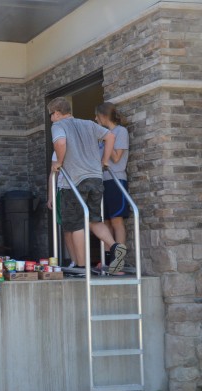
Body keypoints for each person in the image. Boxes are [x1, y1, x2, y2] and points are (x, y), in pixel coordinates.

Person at [49, 97, 127, 274]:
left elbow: (60, 142)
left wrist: (59, 162)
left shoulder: (59, 126)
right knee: (93, 220)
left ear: (57, 113)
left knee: (76, 224)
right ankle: (115, 247)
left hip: (75, 181)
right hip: (96, 178)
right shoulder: (88, 124)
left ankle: (82, 267)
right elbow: (111, 136)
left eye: (51, 115)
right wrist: (104, 161)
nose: (51, 119)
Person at [95, 102, 130, 264]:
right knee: (106, 221)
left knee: (117, 220)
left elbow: (116, 158)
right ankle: (107, 258)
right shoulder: (104, 134)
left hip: (116, 180)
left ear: (103, 116)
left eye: (97, 116)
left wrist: (107, 140)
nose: (95, 119)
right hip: (103, 181)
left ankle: (119, 260)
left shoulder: (119, 131)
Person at [47, 152, 77, 268]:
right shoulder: (58, 149)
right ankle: (75, 261)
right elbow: (53, 173)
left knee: (78, 228)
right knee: (67, 229)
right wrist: (51, 196)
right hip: (63, 190)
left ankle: (81, 262)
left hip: (79, 189)